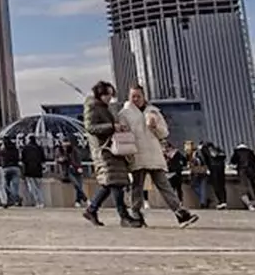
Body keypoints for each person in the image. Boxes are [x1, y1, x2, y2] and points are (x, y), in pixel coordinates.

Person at [118, 86, 198, 228]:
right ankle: (136, 214)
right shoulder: (124, 114)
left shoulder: (153, 111)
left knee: (164, 185)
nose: (135, 99)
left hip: (154, 153)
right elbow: (123, 135)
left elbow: (164, 133)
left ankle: (180, 213)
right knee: (137, 186)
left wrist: (155, 127)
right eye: (133, 96)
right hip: (136, 154)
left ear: (144, 96)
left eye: (138, 96)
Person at [82, 81, 135, 227]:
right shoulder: (92, 107)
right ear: (100, 93)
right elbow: (90, 127)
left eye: (111, 95)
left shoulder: (104, 107)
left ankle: (91, 210)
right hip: (104, 149)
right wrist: (112, 127)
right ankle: (123, 216)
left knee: (110, 183)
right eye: (107, 94)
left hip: (112, 148)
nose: (109, 98)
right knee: (115, 182)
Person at [229, 144, 255, 211]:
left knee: (244, 187)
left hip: (242, 171)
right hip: (251, 171)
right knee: (253, 187)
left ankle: (249, 204)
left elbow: (233, 162)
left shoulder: (236, 152)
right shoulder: (250, 152)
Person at [56, 140, 88, 207]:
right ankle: (86, 199)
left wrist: (79, 167)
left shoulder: (74, 150)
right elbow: (57, 159)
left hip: (76, 169)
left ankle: (78, 201)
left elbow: (78, 160)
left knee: (79, 186)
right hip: (68, 171)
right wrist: (61, 159)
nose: (65, 147)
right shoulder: (59, 150)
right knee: (76, 184)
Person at [20, 135, 46, 208]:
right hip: (38, 170)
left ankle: (37, 201)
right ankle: (41, 202)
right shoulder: (39, 148)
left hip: (29, 171)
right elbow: (43, 159)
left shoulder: (25, 148)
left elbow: (23, 160)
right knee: (39, 187)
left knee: (32, 187)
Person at [201, 142, 228, 210]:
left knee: (216, 186)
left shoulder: (205, 150)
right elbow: (224, 157)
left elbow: (205, 160)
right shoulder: (218, 150)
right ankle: (223, 201)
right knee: (222, 185)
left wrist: (207, 168)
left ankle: (220, 201)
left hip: (213, 169)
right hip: (221, 169)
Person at [1, 136, 22, 207]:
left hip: (5, 168)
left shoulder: (3, 149)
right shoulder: (15, 148)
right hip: (15, 167)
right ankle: (15, 199)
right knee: (15, 186)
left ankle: (13, 199)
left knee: (5, 185)